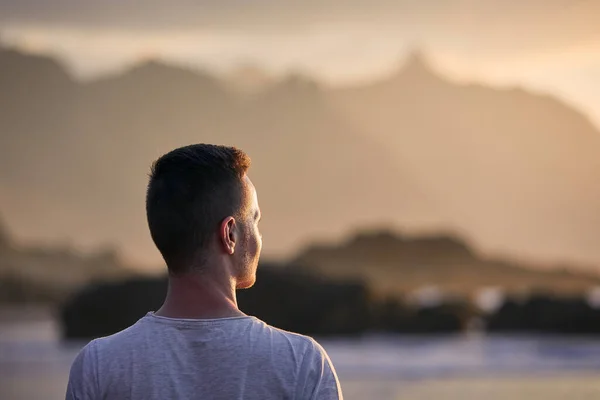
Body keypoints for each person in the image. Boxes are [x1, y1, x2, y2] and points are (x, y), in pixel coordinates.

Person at [65, 144, 343, 399]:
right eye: (255, 221)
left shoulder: (98, 365)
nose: (259, 237)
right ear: (230, 233)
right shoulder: (302, 363)